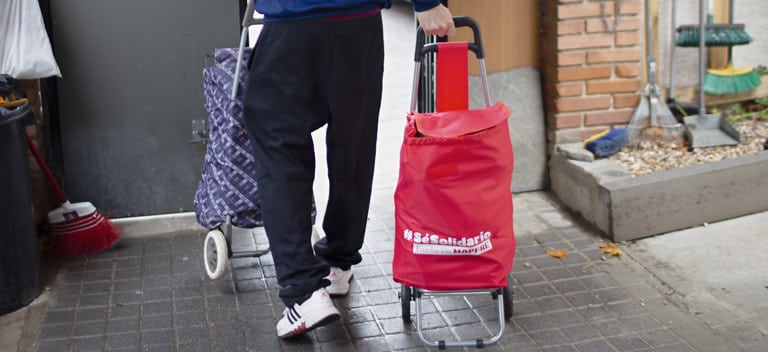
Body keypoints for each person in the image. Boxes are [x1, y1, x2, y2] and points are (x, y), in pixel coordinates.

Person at [242, 0, 455, 339]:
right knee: (352, 144)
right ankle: (338, 262)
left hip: (293, 25)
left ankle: (304, 290)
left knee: (279, 147)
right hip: (358, 25)